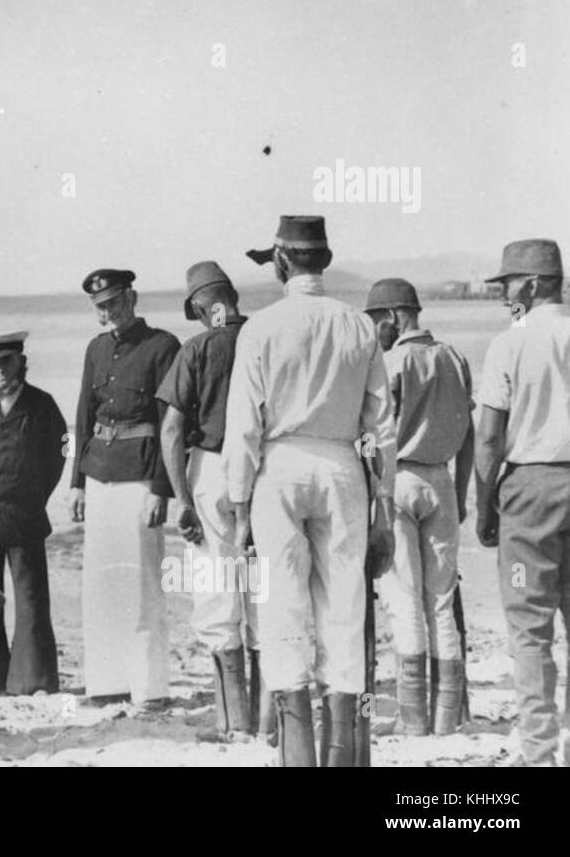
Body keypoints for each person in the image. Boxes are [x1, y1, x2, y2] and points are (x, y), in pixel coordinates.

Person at [223, 215, 396, 767]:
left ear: (280, 262)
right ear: (322, 260)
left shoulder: (262, 328)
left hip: (280, 464)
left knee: (282, 608)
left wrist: (239, 505)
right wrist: (382, 503)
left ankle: (297, 755)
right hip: (343, 464)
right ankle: (341, 755)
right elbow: (380, 426)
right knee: (344, 608)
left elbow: (243, 428)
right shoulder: (359, 326)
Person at [157, 262, 266, 738]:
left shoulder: (198, 347)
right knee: (264, 588)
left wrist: (181, 498)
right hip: (265, 470)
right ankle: (270, 720)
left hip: (212, 468)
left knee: (217, 587)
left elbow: (171, 428)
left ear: (201, 308)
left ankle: (232, 722)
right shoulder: (265, 338)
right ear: (234, 296)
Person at [473, 238, 570, 767]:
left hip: (531, 490)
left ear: (531, 285)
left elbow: (488, 439)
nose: (503, 293)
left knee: (530, 629)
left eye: (508, 283)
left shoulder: (510, 342)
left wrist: (486, 508)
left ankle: (539, 752)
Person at [363, 278, 474, 736]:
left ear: (391, 316)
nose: (375, 332)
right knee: (441, 602)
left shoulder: (391, 363)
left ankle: (412, 722)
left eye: (376, 322)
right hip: (443, 481)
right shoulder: (455, 357)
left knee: (404, 601)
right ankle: (447, 721)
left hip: (400, 480)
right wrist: (461, 495)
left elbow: (376, 439)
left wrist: (373, 500)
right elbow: (469, 434)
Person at [69, 268, 180, 708]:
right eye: (101, 306)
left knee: (143, 585)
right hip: (99, 475)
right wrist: (76, 483)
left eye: (115, 302)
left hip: (140, 476)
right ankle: (107, 683)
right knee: (101, 585)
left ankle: (150, 689)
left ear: (132, 298)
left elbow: (171, 424)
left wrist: (161, 488)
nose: (109, 312)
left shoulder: (162, 346)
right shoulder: (95, 349)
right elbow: (83, 417)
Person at [0, 331, 66, 696]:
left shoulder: (42, 405)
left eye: (6, 362)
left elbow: (58, 455)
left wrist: (35, 497)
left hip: (25, 515)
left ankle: (32, 680)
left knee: (31, 598)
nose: (0, 371)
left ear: (21, 361)